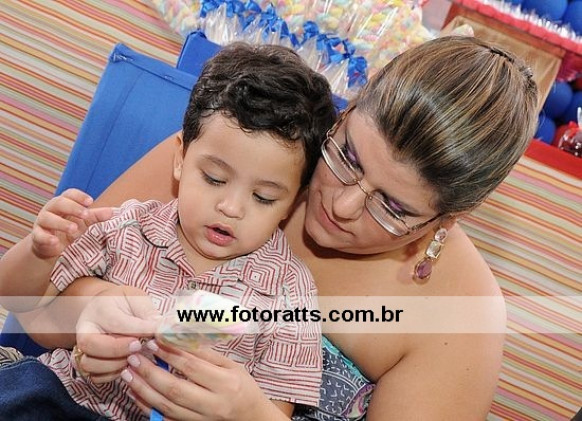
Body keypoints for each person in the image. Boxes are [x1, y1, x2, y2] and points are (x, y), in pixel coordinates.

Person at [13, 35, 538, 421]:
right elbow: (38, 304)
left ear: (444, 221)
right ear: (349, 109)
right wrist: (98, 310)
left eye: (393, 207)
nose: (344, 204)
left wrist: (251, 415)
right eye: (348, 156)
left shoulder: (462, 318)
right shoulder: (258, 149)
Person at [0, 42, 337, 420]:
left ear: (292, 203)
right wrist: (40, 252)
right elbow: (22, 306)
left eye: (263, 197)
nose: (231, 208)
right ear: (180, 158)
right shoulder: (128, 227)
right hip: (61, 398)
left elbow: (274, 412)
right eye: (214, 178)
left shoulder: (288, 292)